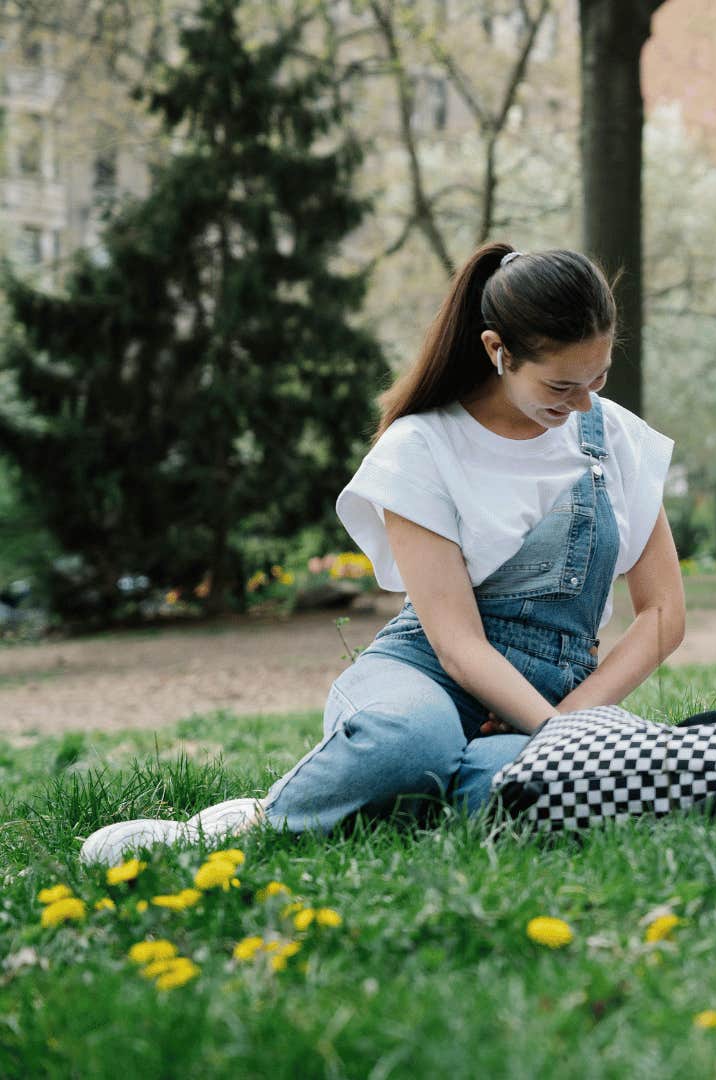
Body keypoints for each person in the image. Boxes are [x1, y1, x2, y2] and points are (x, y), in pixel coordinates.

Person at [82, 244, 684, 862]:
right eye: (561, 384)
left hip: (558, 694)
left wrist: (567, 725)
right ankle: (250, 824)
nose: (585, 401)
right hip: (426, 676)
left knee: (526, 783)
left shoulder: (614, 437)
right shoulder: (422, 446)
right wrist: (557, 733)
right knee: (411, 740)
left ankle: (392, 804)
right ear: (496, 350)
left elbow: (663, 614)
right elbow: (458, 644)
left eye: (600, 377)